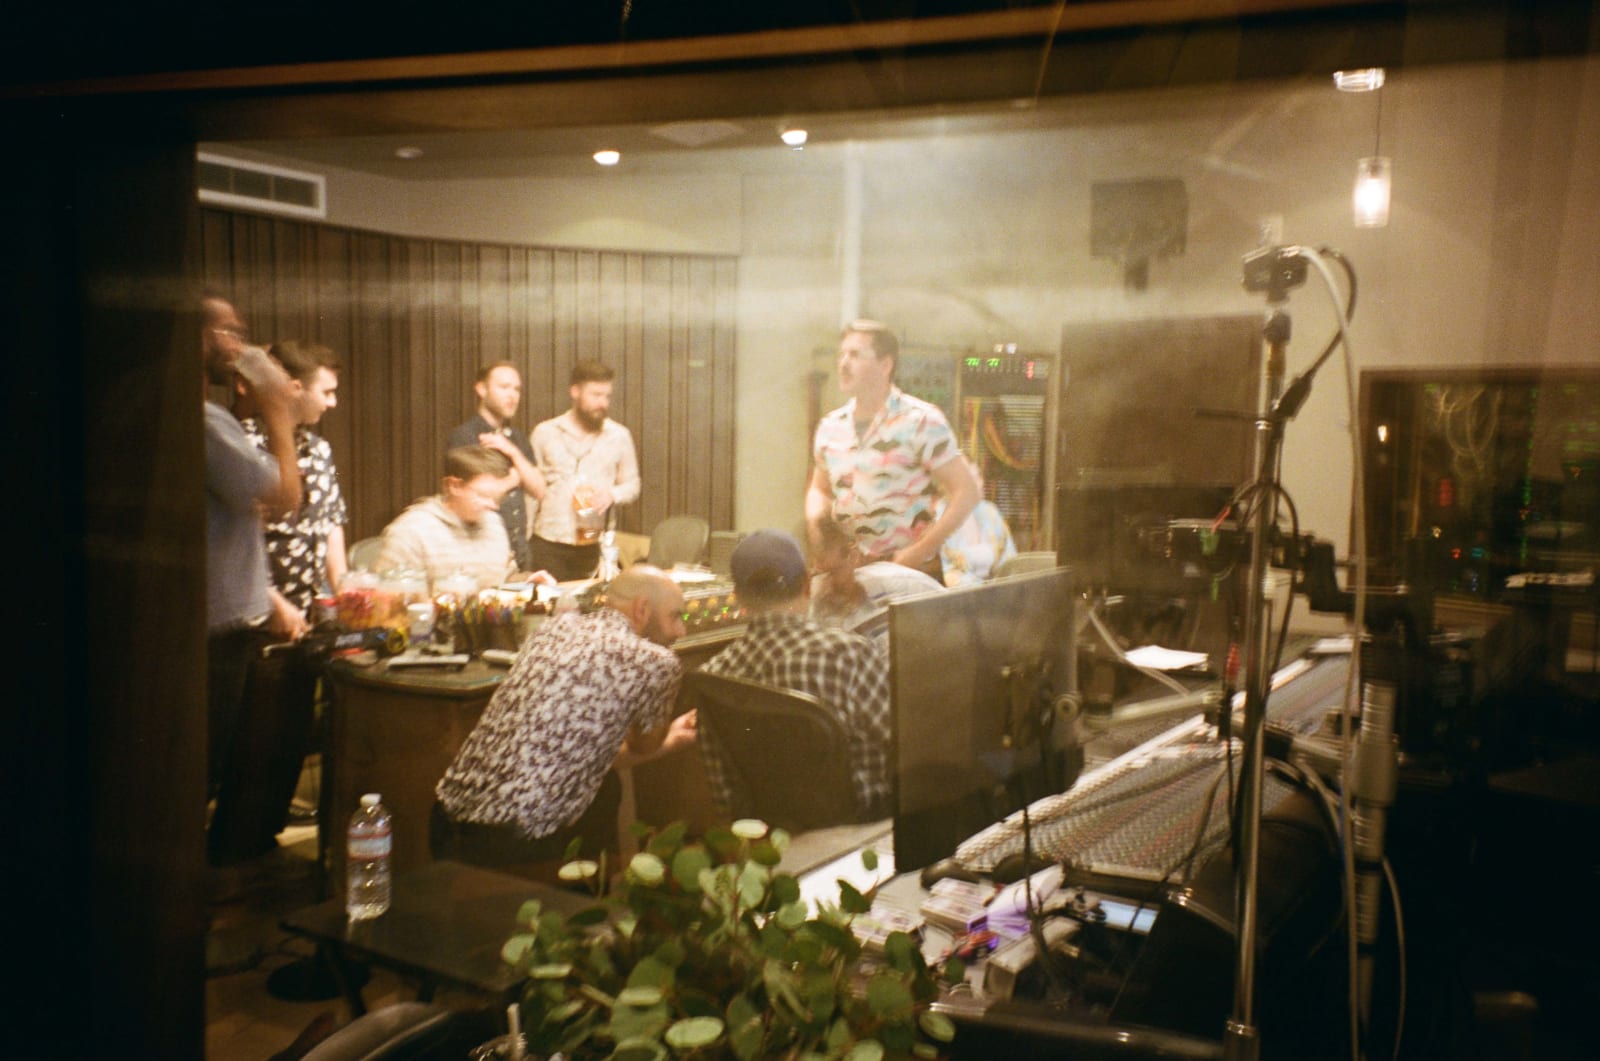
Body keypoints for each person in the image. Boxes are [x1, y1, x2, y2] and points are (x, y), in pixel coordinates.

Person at [431, 565, 696, 874]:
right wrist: (669, 733)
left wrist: (672, 736)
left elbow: (575, 755)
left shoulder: (551, 630)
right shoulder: (655, 660)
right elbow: (646, 743)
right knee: (606, 794)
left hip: (447, 823)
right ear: (642, 608)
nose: (681, 632)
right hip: (522, 841)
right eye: (676, 616)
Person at [201, 292, 302, 866]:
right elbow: (286, 497)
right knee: (202, 773)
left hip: (225, 618)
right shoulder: (208, 423)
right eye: (228, 331)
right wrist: (278, 414)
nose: (239, 344)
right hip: (217, 626)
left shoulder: (213, 422)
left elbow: (263, 502)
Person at [698, 529, 893, 823]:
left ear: (737, 597)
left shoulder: (712, 678)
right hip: (859, 839)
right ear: (805, 585)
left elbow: (725, 794)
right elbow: (900, 752)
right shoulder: (848, 654)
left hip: (768, 848)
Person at [805, 319, 980, 582]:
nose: (843, 363)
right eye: (841, 354)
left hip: (909, 575)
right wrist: (818, 532)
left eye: (854, 355)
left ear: (885, 365)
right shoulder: (831, 427)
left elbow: (967, 491)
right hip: (847, 578)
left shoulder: (922, 421)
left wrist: (919, 552)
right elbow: (820, 489)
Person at [529, 360, 641, 581]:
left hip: (591, 541)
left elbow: (633, 484)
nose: (602, 403)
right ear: (575, 392)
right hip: (548, 541)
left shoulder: (619, 436)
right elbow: (531, 492)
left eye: (607, 396)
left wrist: (612, 494)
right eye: (596, 395)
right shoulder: (545, 432)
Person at [375, 445, 529, 590]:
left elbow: (503, 580)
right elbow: (385, 600)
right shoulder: (411, 531)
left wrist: (527, 582)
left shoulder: (493, 522)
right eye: (483, 495)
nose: (493, 506)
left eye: (497, 497)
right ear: (454, 486)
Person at [447, 361, 546, 572]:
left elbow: (539, 489)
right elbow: (480, 491)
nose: (512, 395)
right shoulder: (465, 436)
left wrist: (511, 450)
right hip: (480, 548)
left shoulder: (517, 438)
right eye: (504, 387)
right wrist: (515, 478)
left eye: (517, 389)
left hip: (519, 550)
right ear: (482, 389)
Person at [810, 516, 943, 644]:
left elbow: (949, 610)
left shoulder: (903, 584)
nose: (824, 583)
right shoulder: (811, 611)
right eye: (816, 574)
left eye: (831, 573)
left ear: (853, 556)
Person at [938, 456, 1018, 587]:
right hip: (958, 600)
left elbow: (1011, 562)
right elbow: (951, 574)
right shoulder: (941, 517)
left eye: (979, 476)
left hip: (998, 596)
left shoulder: (990, 511)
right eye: (972, 479)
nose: (980, 483)